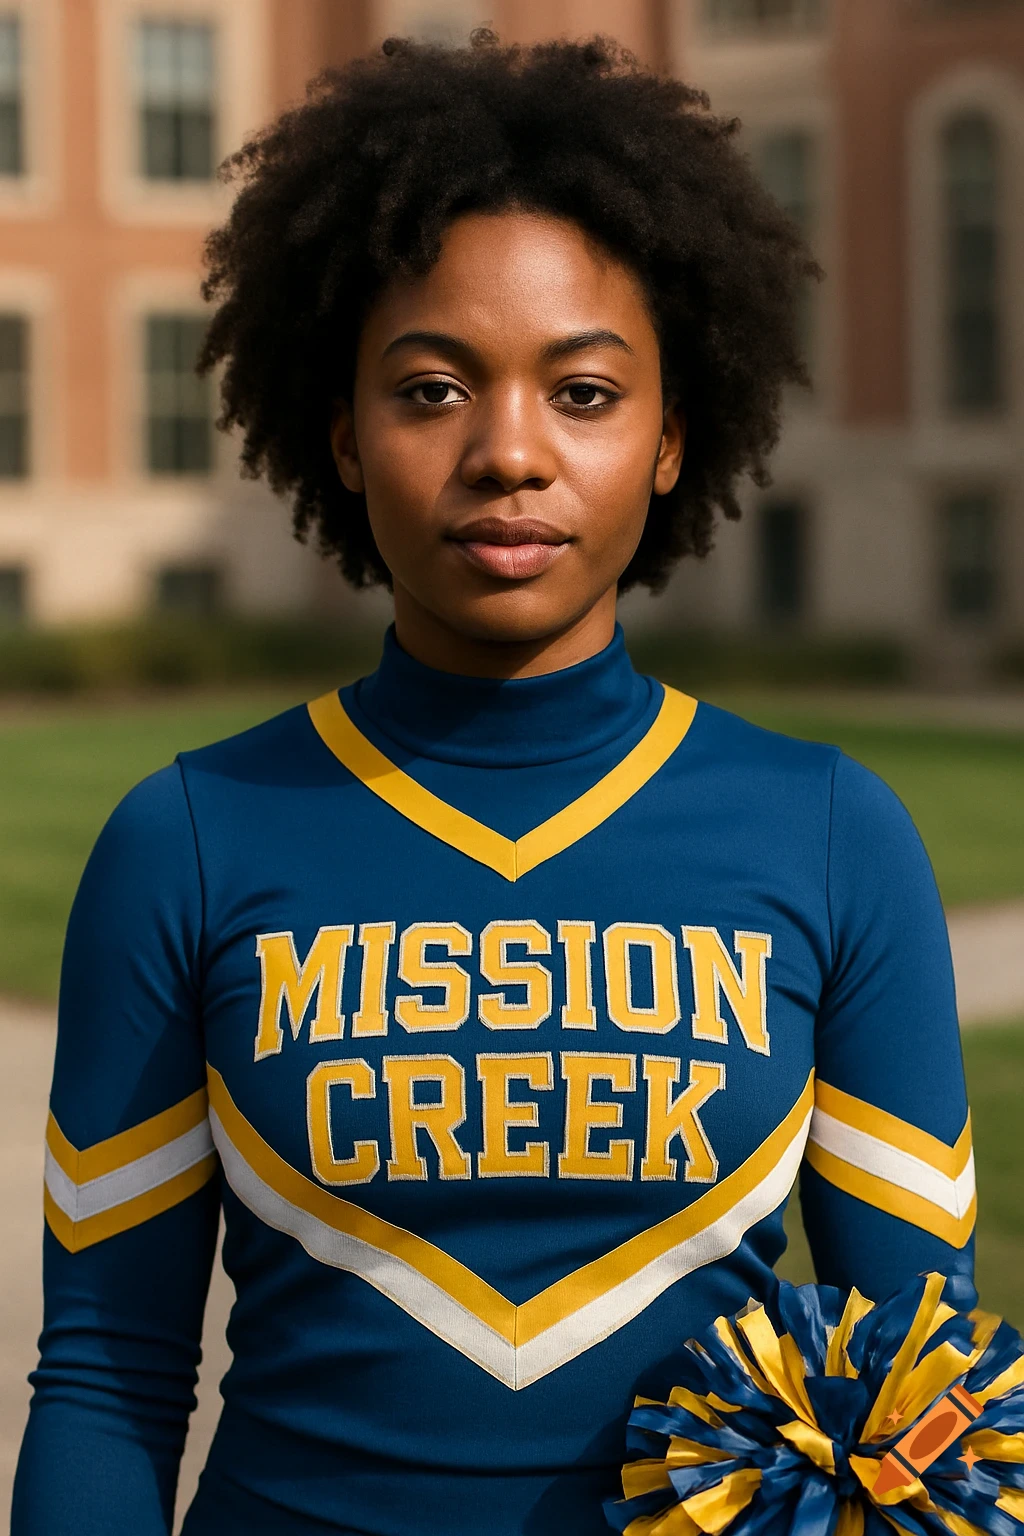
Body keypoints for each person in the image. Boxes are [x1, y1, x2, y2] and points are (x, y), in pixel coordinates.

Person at [12, 32, 974, 1536]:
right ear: (340, 431)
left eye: (585, 394)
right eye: (432, 388)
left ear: (672, 437)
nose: (508, 452)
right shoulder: (186, 842)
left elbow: (924, 1400)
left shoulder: (836, 835)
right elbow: (109, 1374)